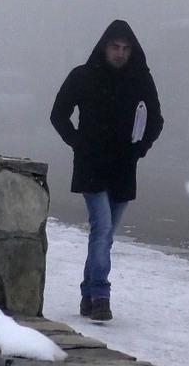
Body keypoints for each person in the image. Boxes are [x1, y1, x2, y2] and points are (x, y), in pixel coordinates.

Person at [50, 19, 164, 321]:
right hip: (92, 166)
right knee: (101, 229)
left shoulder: (140, 79)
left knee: (106, 234)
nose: (120, 53)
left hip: (124, 169)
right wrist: (77, 142)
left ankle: (88, 294)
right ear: (104, 46)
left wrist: (140, 149)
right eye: (115, 46)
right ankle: (101, 294)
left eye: (125, 48)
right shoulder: (83, 77)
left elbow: (156, 120)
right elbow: (58, 114)